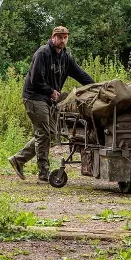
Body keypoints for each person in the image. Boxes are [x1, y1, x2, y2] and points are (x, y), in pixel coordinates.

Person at [8, 25, 95, 182]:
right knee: (44, 133)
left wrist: (97, 87)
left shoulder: (66, 58)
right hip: (34, 97)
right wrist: (50, 91)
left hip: (49, 99)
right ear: (52, 37)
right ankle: (43, 172)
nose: (62, 40)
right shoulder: (42, 53)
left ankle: (18, 159)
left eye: (65, 37)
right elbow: (35, 79)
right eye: (59, 37)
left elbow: (81, 75)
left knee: (52, 134)